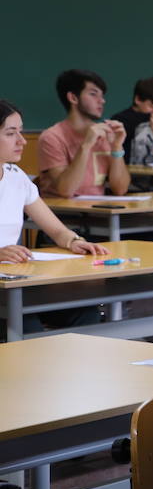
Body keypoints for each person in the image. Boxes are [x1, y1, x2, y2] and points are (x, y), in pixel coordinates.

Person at [1, 100, 109, 337]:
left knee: (87, 313)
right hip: (6, 291)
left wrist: (74, 241)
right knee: (25, 328)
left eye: (21, 131)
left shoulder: (15, 176)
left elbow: (56, 230)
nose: (21, 140)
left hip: (16, 282)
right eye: (11, 133)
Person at [38, 68, 129, 199]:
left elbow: (120, 189)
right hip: (64, 215)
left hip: (98, 212)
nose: (102, 101)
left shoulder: (105, 133)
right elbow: (66, 190)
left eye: (102, 96)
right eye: (93, 94)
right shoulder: (52, 137)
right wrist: (86, 145)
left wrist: (116, 147)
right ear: (73, 98)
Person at [111, 77, 153, 193]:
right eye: (151, 106)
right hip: (126, 185)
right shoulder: (121, 120)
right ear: (137, 99)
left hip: (149, 186)